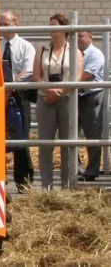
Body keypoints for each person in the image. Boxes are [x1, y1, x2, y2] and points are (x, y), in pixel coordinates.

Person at [33, 13, 83, 190]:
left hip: (66, 99)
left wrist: (58, 92)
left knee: (67, 142)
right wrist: (48, 90)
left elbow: (77, 77)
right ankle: (46, 186)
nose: (51, 29)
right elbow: (37, 76)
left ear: (64, 29)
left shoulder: (75, 51)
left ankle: (67, 185)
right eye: (49, 25)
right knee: (45, 143)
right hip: (44, 98)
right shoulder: (42, 49)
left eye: (54, 25)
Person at [0, 11, 36, 192]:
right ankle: (0, 178)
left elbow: (27, 71)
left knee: (22, 136)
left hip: (19, 96)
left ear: (16, 24)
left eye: (5, 24)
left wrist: (11, 86)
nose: (2, 27)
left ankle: (24, 181)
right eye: (1, 24)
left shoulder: (25, 46)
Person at [77, 31, 105, 181]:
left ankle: (92, 170)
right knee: (70, 133)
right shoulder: (74, 53)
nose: (78, 39)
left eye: (81, 36)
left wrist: (66, 82)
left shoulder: (95, 54)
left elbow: (87, 76)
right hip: (75, 96)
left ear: (90, 37)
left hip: (91, 96)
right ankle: (76, 168)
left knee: (92, 135)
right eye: (75, 36)